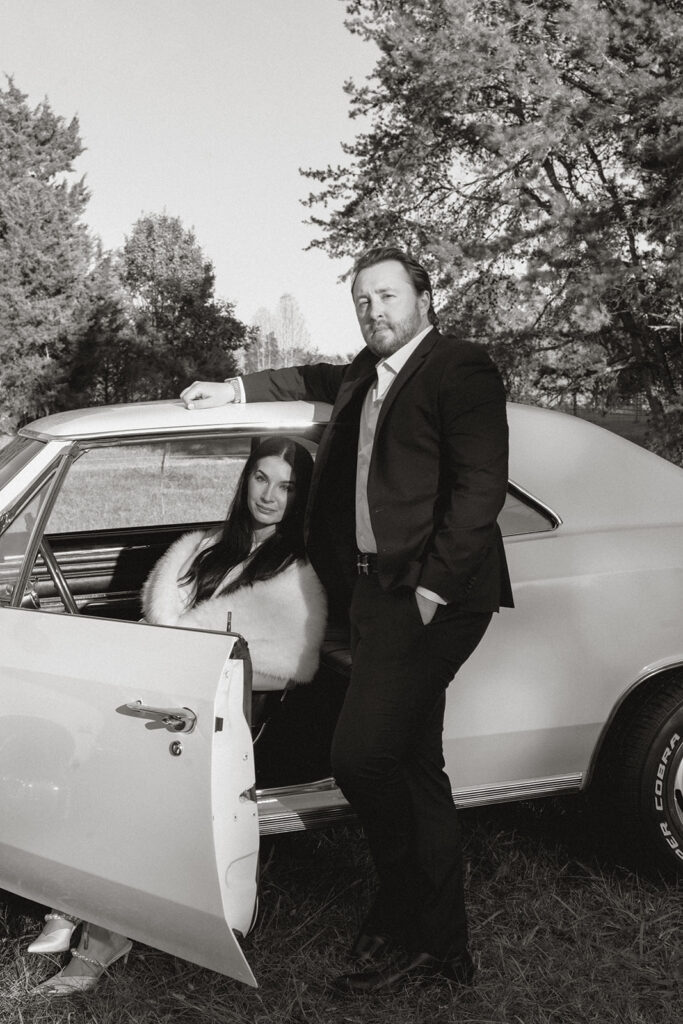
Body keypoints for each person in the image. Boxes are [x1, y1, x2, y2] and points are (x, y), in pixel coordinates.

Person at [179, 246, 514, 993]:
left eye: (387, 296)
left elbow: (479, 489)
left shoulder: (460, 368)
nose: (374, 310)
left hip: (431, 596)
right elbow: (309, 379)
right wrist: (234, 386)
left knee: (362, 758)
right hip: (369, 591)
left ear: (423, 297)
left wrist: (430, 592)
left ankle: (406, 915)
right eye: (363, 300)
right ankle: (438, 945)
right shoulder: (365, 371)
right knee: (415, 765)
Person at [29, 436, 327, 996]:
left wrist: (200, 667)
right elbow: (159, 624)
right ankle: (73, 901)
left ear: (301, 497)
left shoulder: (296, 572)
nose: (269, 496)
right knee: (95, 752)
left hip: (226, 718)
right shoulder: (202, 547)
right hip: (163, 701)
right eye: (261, 478)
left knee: (139, 785)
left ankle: (96, 942)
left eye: (287, 487)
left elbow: (288, 667)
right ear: (245, 479)